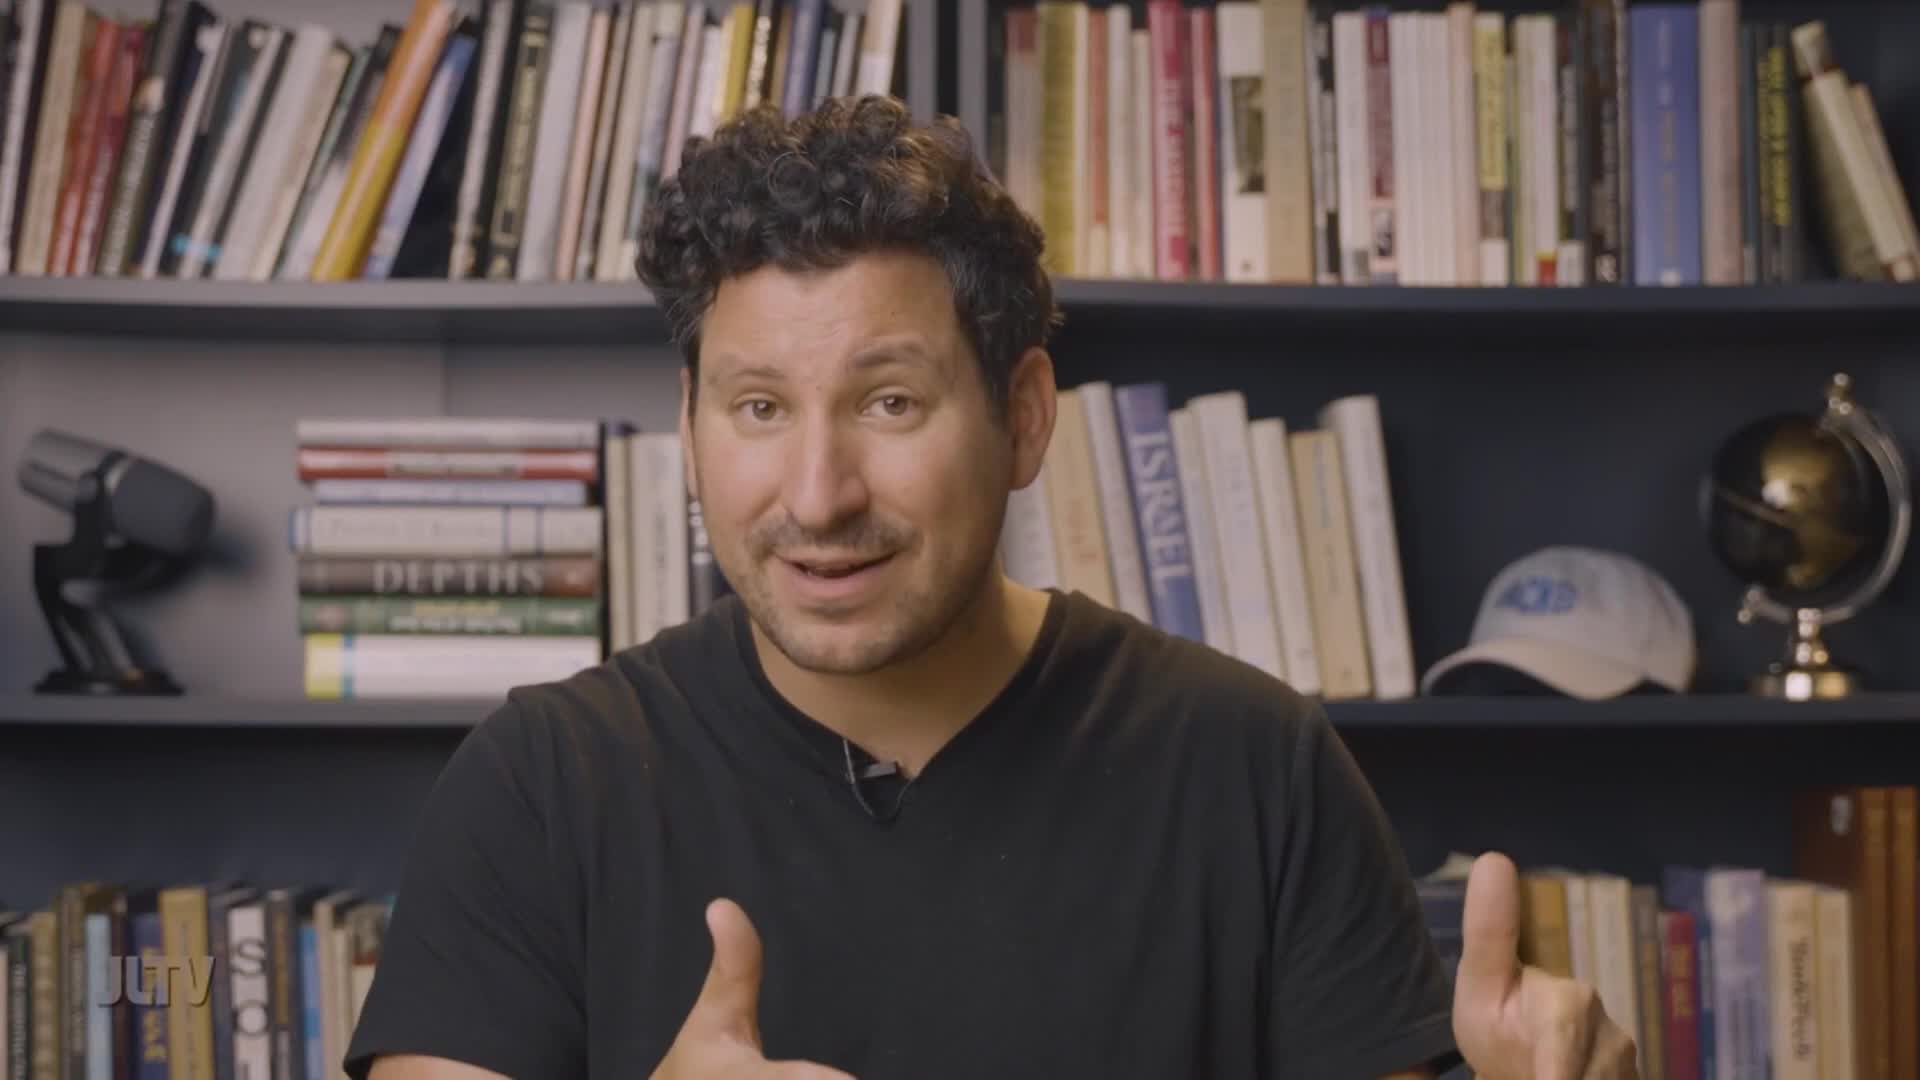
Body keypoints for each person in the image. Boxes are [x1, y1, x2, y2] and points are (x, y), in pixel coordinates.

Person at [344, 95, 1639, 1080]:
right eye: (758, 408)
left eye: (890, 402)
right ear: (689, 426)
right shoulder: (538, 787)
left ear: (1023, 417)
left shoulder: (1256, 767)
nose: (817, 494)